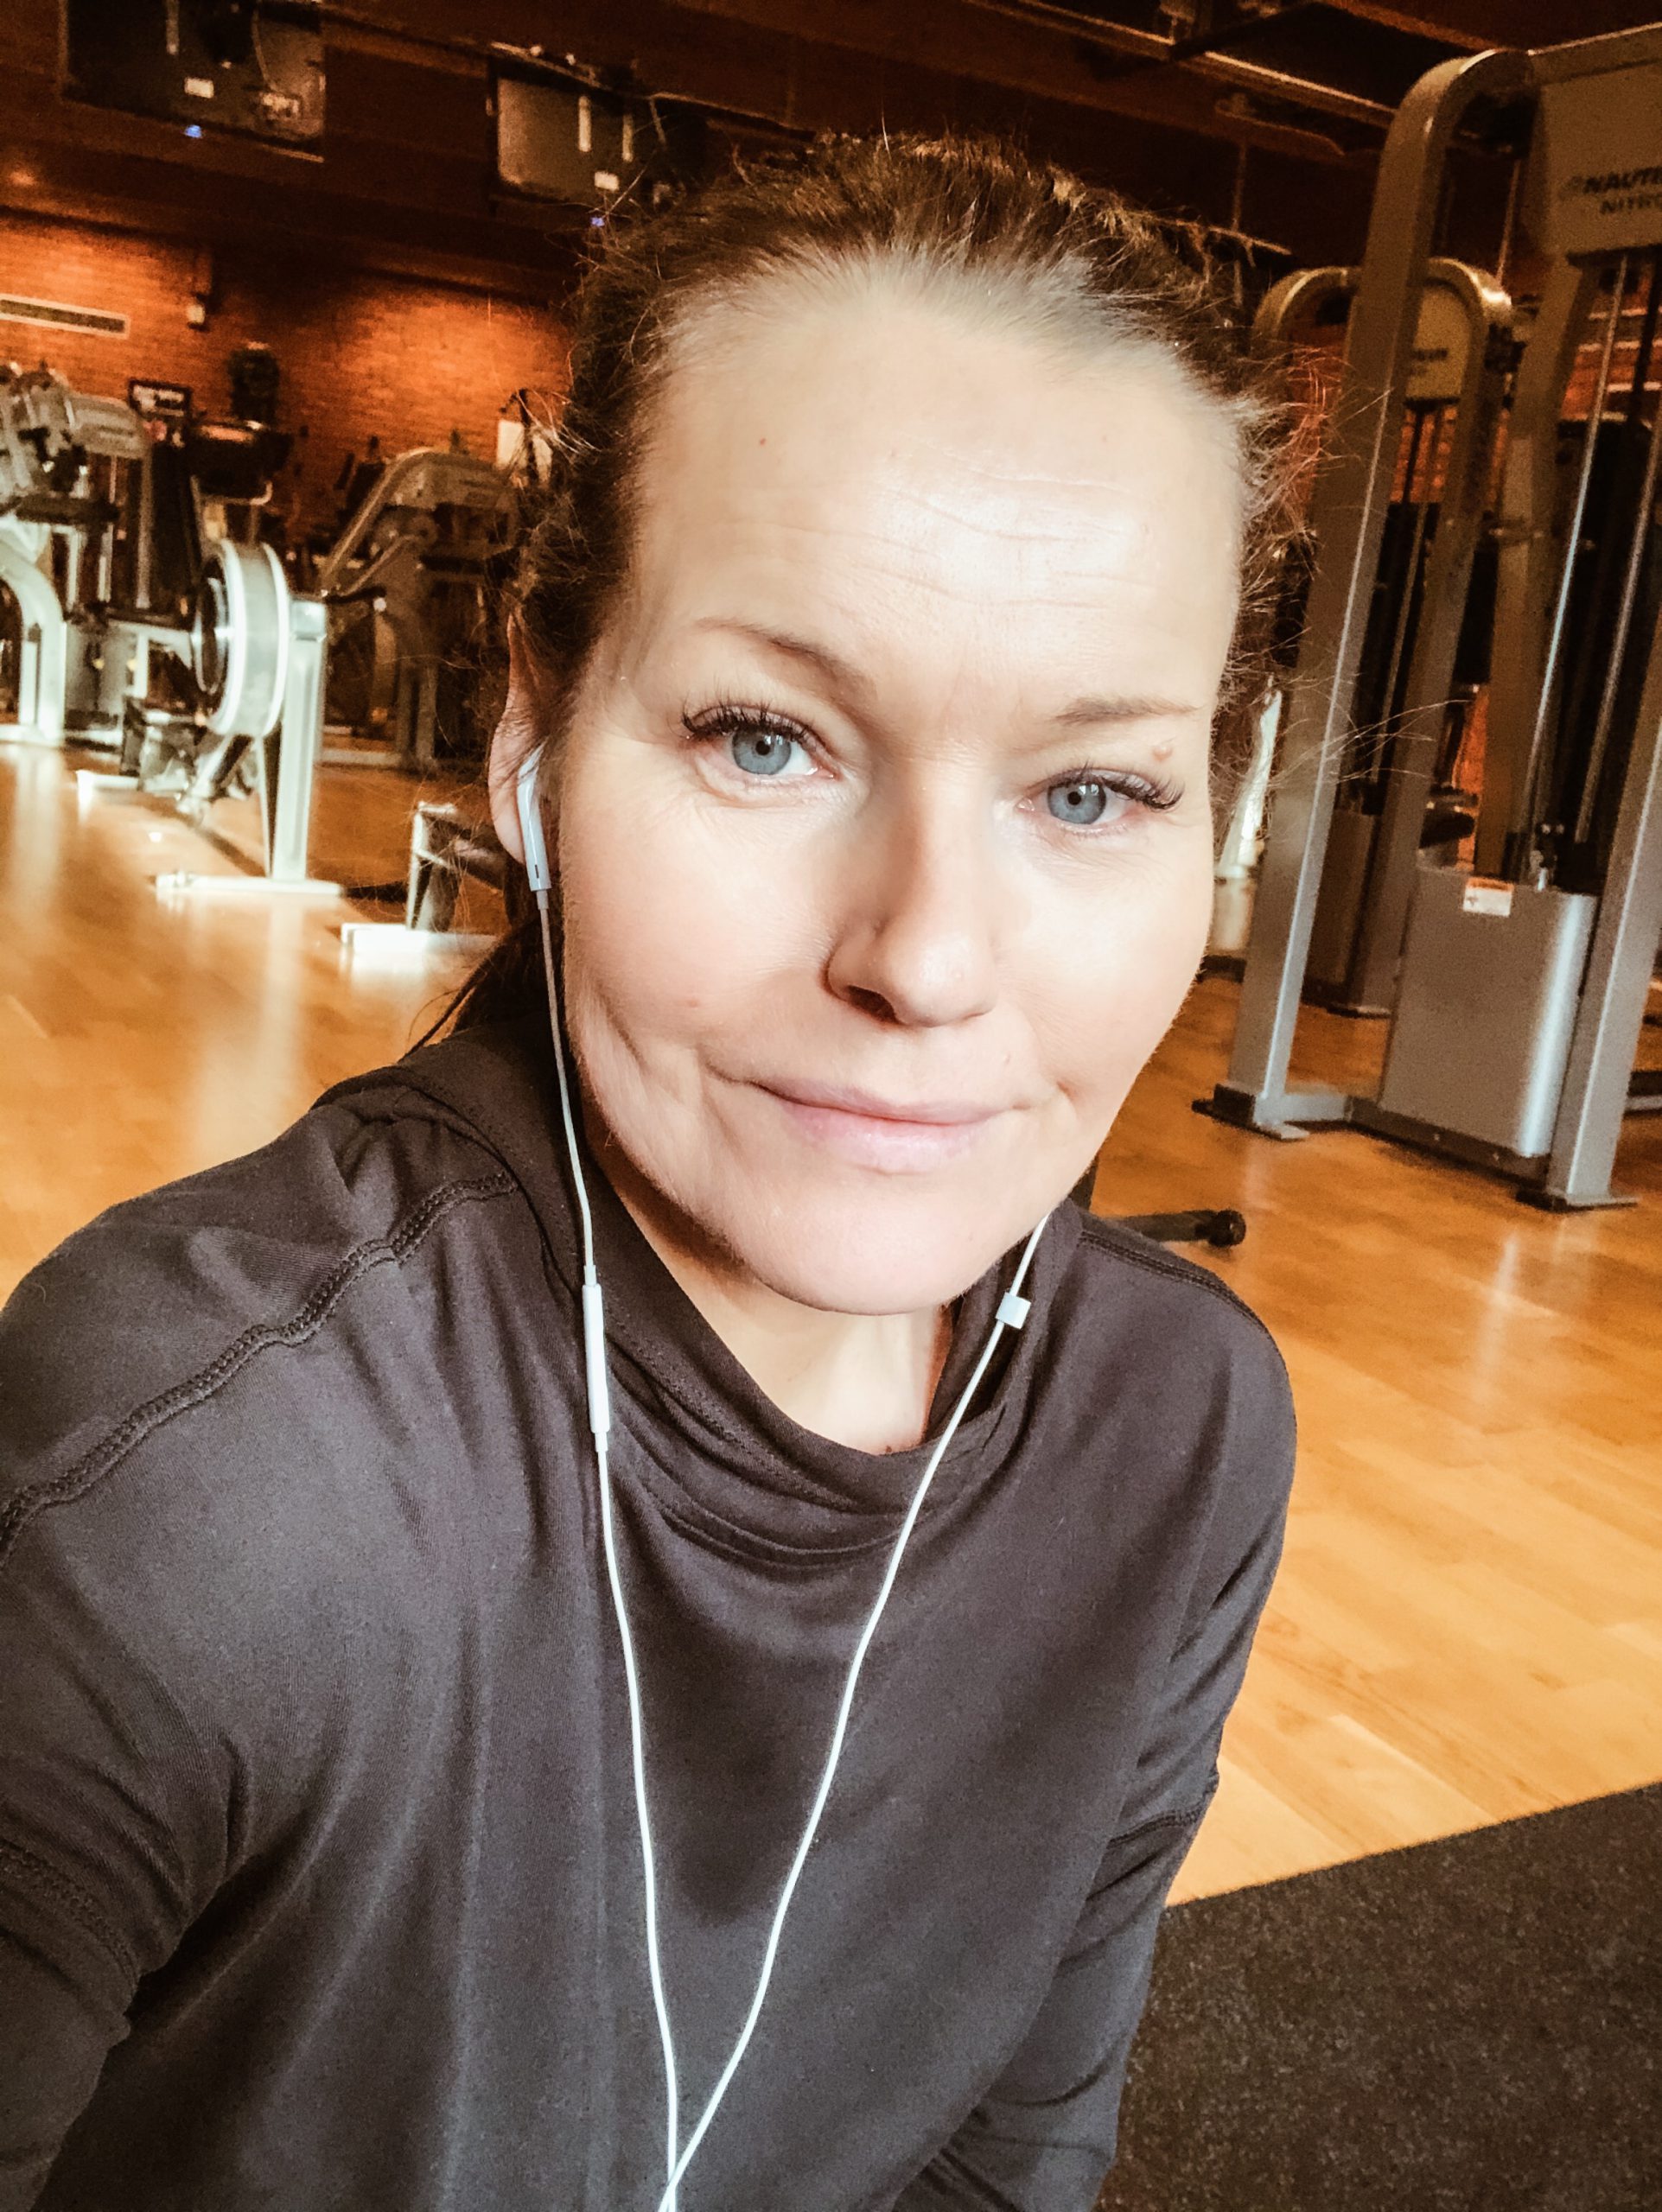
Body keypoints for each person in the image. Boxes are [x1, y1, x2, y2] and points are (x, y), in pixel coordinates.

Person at [0, 136, 1297, 2212]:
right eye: (764, 737)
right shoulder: (209, 1485)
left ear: (1217, 812)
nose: (925, 957)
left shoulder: (1178, 1426)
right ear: (534, 735)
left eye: (1086, 789)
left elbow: (1005, 2163)